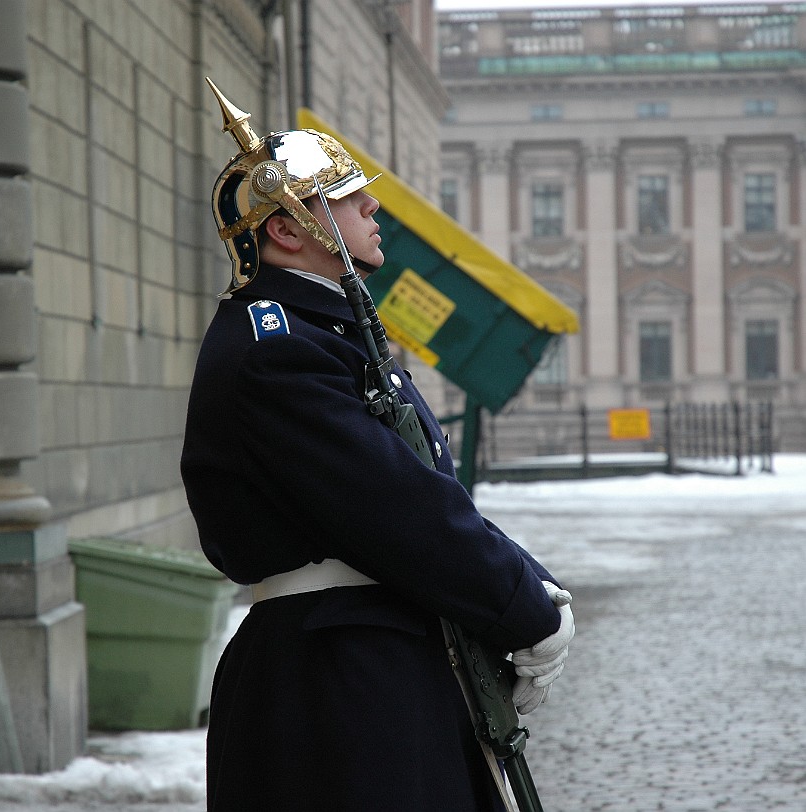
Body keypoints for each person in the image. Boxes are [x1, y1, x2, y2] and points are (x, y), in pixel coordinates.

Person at [181, 79, 575, 812]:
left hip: (368, 659)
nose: (373, 208)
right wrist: (524, 607)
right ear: (288, 230)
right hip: (334, 682)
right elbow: (393, 507)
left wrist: (530, 580)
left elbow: (424, 488)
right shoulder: (278, 349)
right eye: (347, 196)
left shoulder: (324, 332)